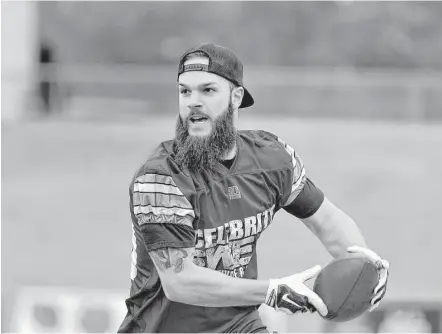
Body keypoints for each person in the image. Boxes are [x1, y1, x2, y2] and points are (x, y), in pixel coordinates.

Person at [118, 43, 389, 333]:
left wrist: (364, 264)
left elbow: (327, 221)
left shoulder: (272, 159)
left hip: (239, 326)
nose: (192, 102)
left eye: (207, 90)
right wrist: (271, 291)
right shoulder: (160, 177)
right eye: (185, 91)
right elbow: (179, 282)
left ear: (236, 97)